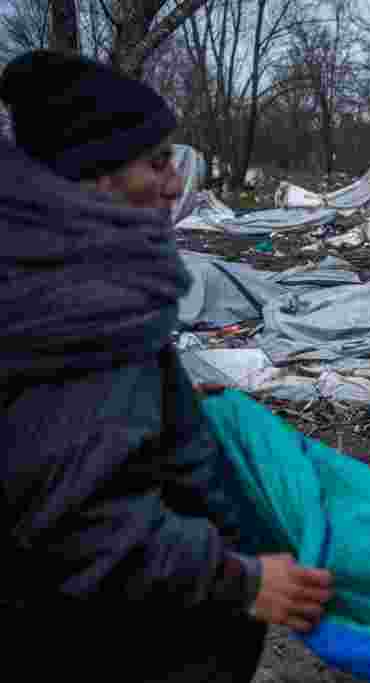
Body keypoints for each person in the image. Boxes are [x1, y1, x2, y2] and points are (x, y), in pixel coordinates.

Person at [0, 50, 332, 681]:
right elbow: (81, 522)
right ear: (93, 176)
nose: (176, 184)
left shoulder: (37, 278)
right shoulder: (83, 304)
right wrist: (244, 580)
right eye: (156, 163)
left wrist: (163, 397)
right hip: (122, 645)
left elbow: (49, 443)